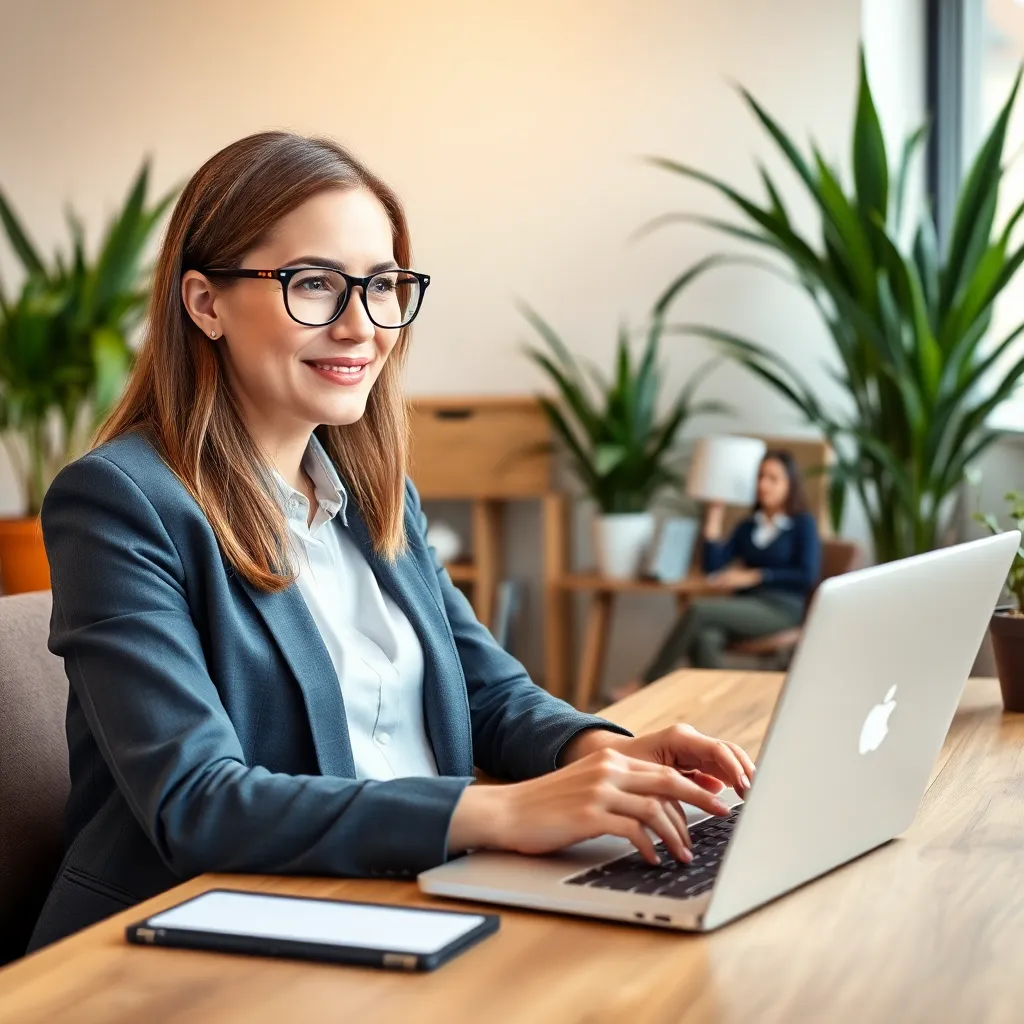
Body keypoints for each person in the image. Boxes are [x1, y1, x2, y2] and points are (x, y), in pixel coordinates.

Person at [28, 132, 756, 950]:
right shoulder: (122, 502)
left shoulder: (375, 492)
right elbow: (198, 802)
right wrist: (501, 812)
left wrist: (598, 754)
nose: (361, 326)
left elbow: (486, 693)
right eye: (314, 284)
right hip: (188, 942)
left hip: (405, 897)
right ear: (205, 304)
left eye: (381, 286)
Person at [614, 450, 821, 699]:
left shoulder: (802, 524)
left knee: (698, 610)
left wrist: (756, 576)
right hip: (746, 606)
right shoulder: (748, 526)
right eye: (760, 477)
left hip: (782, 609)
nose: (763, 485)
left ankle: (647, 681)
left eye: (773, 478)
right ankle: (726, 701)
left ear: (790, 484)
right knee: (705, 636)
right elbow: (712, 567)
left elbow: (807, 575)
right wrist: (715, 514)